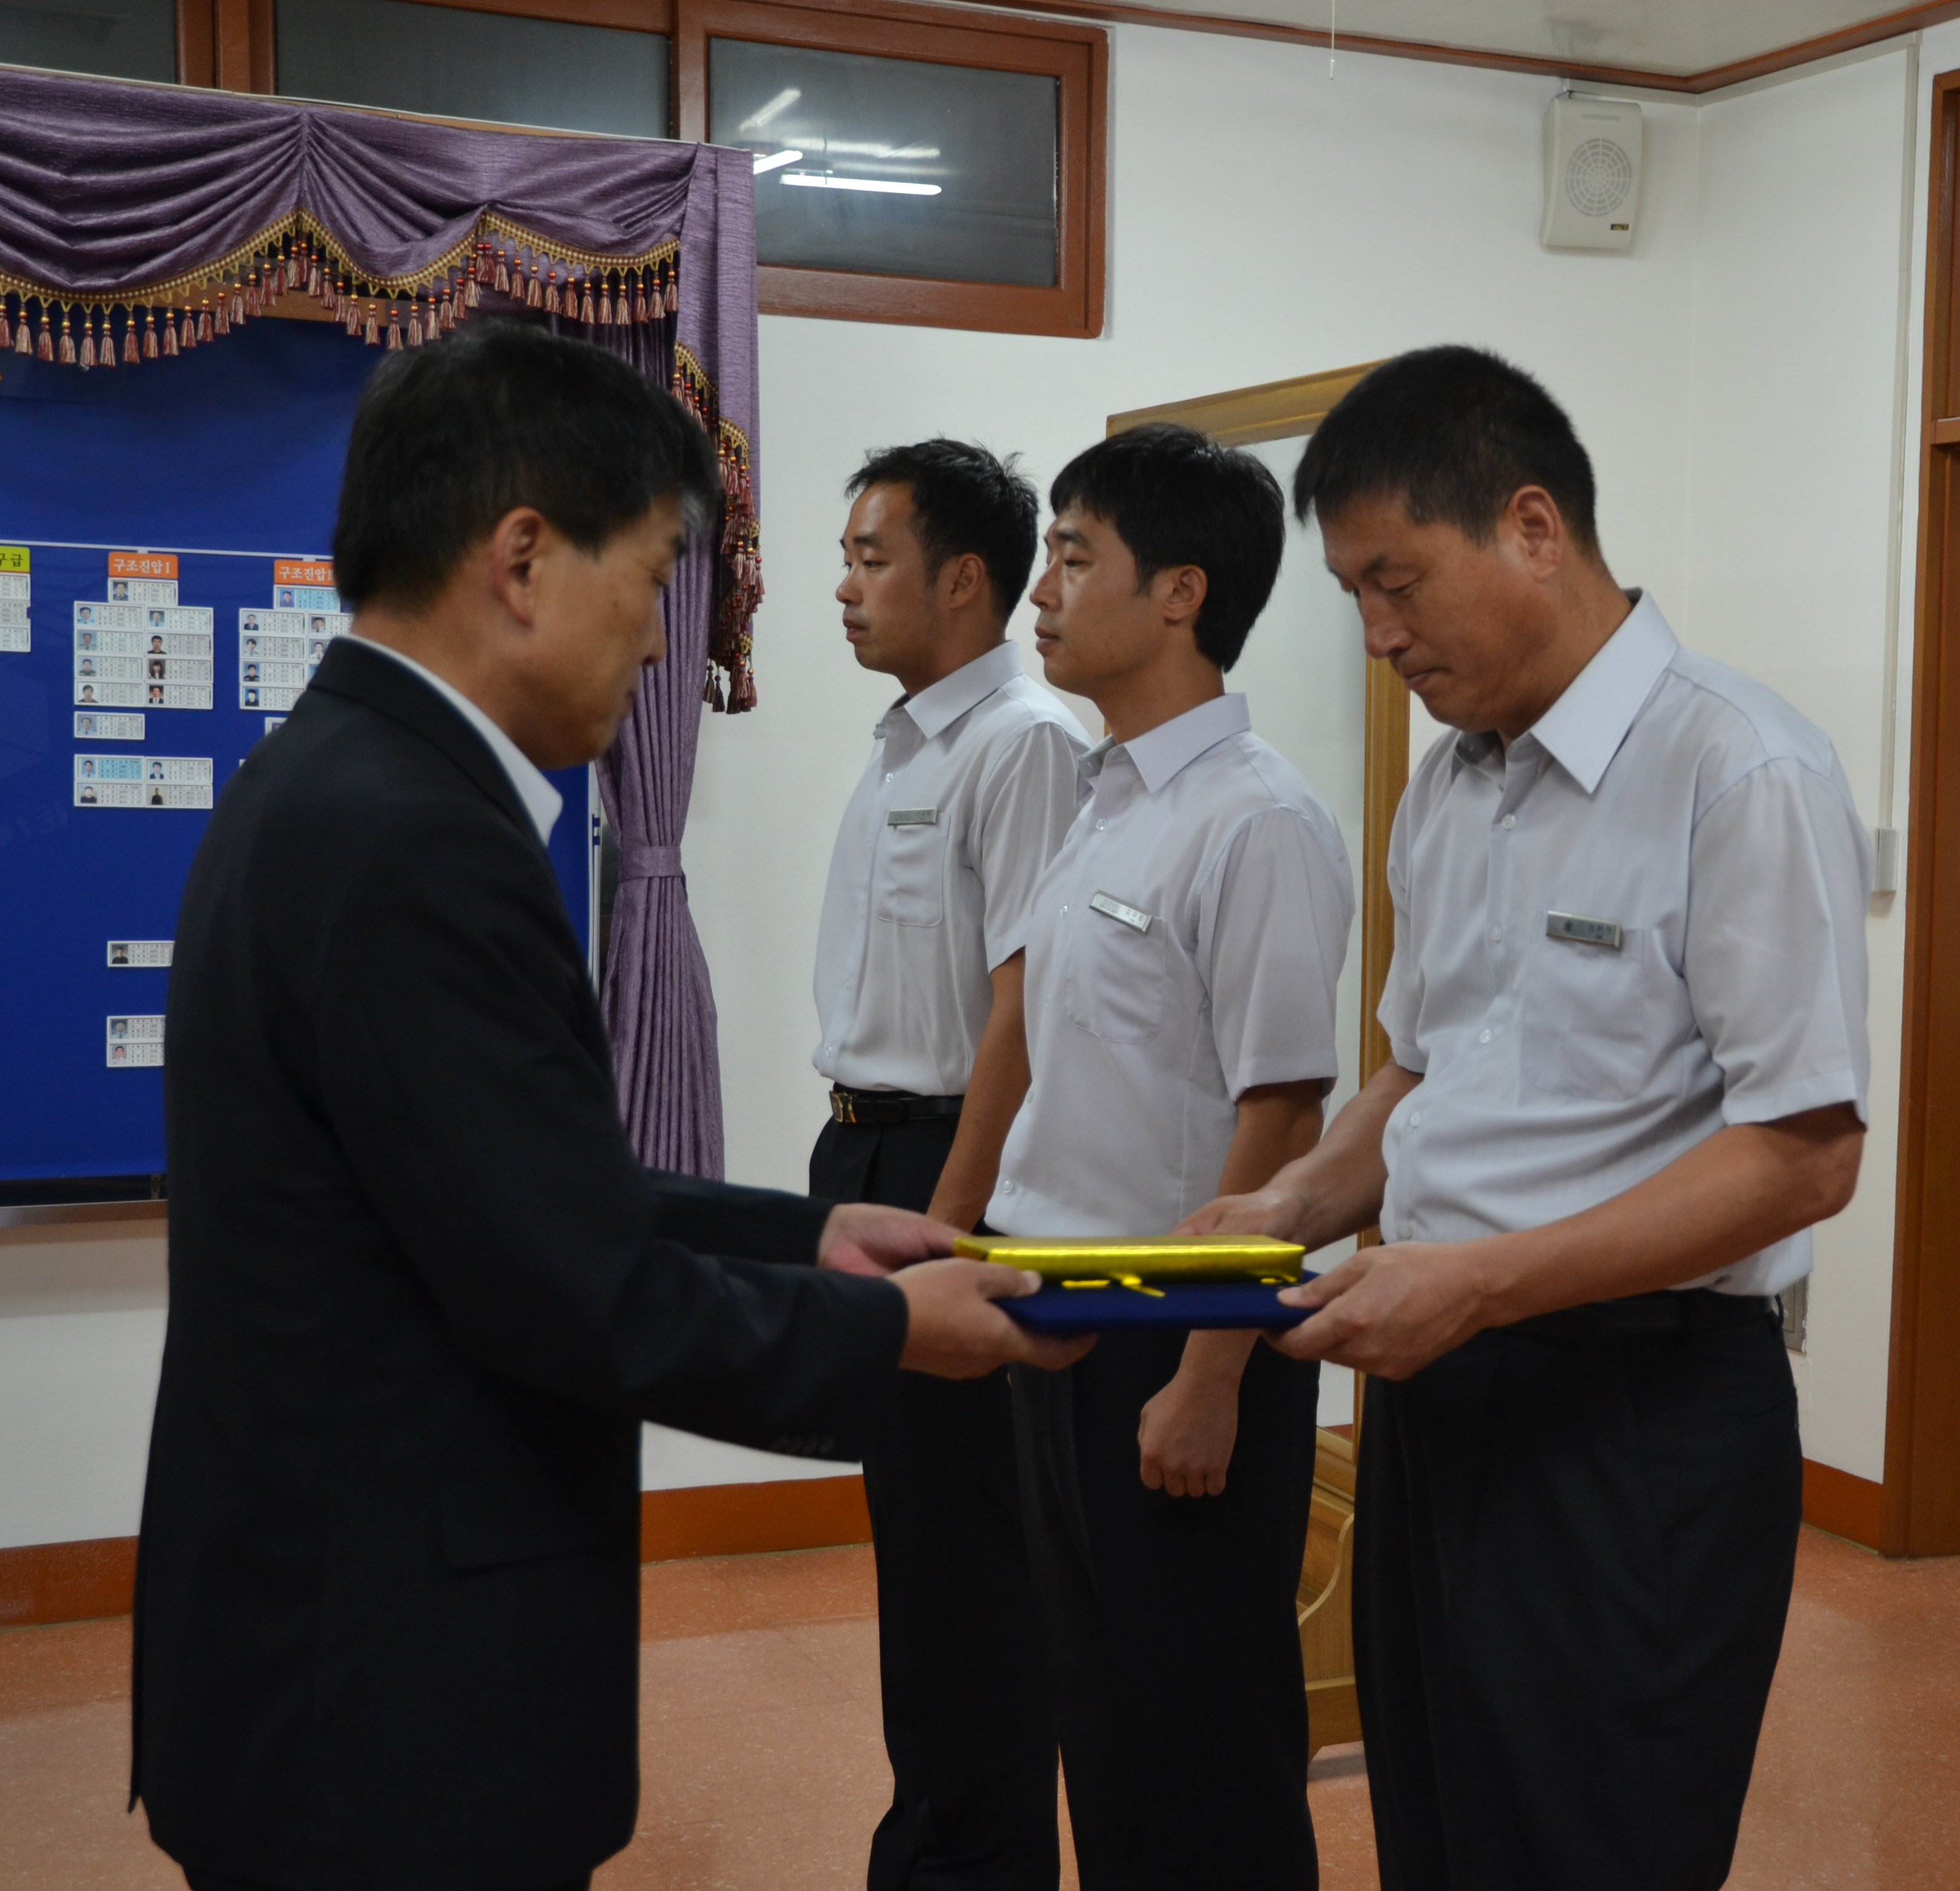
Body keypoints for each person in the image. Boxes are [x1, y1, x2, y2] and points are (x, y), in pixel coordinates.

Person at [133, 323, 1090, 1891]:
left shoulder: (333, 780)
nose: (659, 646)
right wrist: (886, 1330)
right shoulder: (418, 839)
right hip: (381, 1694)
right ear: (524, 560)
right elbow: (577, 1286)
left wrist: (810, 1239)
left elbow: (512, 1190)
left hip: (330, 1644)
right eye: (650, 582)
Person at [1181, 347, 1872, 1891]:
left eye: (1398, 583)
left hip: (1632, 1415)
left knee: (1586, 1847)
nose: (1379, 636)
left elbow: (1805, 1154)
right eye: (1354, 596)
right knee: (1440, 1835)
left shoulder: (1736, 768)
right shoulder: (1452, 788)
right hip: (1440, 1391)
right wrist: (1291, 1207)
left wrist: (1480, 1284)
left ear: (1534, 528)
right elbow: (1422, 1073)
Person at [995, 423, 1354, 1890]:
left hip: (1177, 1328)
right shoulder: (1105, 803)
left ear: (1180, 594)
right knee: (1106, 1730)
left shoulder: (1258, 821)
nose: (1043, 592)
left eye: (1075, 558)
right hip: (1062, 1313)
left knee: (1205, 1741)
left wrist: (1211, 1375)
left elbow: (1285, 1116)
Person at [808, 439, 1086, 1891]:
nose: (844, 588)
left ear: (964, 579)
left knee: (968, 1566)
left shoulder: (1022, 742)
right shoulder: (908, 737)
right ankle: (931, 1847)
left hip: (941, 1167)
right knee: (917, 1551)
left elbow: (1024, 1007)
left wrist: (954, 1223)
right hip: (864, 1146)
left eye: (873, 558)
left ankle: (971, 1859)